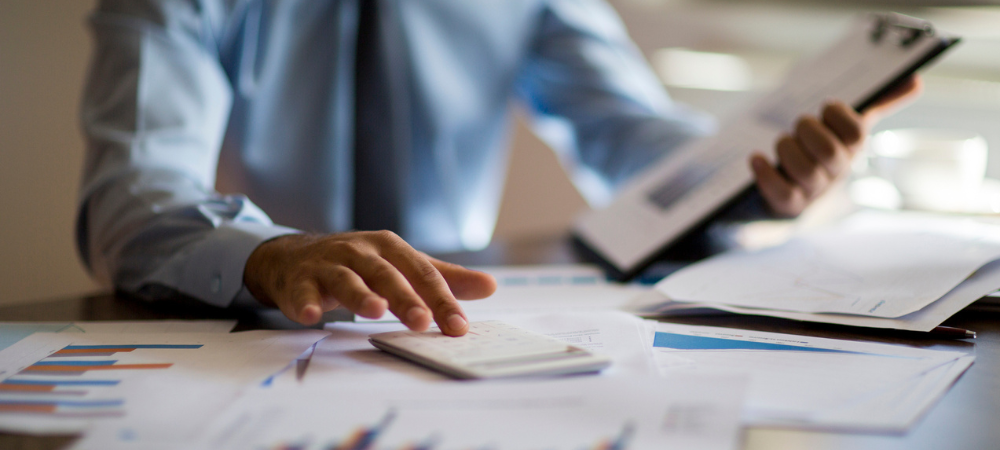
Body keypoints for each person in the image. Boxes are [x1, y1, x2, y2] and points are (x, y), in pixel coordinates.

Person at [77, 0, 920, 337]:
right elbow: (133, 192)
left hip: (454, 335)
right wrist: (270, 253)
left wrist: (761, 176)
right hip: (254, 332)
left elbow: (632, 138)